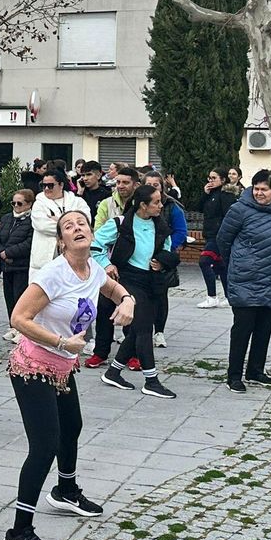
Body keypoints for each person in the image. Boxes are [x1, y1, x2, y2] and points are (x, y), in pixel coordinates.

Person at [2, 211, 134, 540]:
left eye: (82, 224)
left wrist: (127, 300)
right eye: (69, 227)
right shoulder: (53, 274)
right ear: (61, 241)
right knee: (44, 446)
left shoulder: (92, 269)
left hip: (61, 367)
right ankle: (19, 533)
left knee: (71, 427)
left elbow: (111, 287)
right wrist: (61, 342)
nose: (78, 229)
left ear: (92, 234)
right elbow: (18, 318)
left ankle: (65, 490)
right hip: (32, 366)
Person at [92, 185, 180, 398]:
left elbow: (168, 249)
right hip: (126, 280)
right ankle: (151, 380)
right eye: (156, 202)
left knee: (138, 329)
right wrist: (106, 265)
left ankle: (113, 371)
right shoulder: (120, 224)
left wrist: (162, 262)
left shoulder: (160, 226)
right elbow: (95, 246)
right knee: (143, 329)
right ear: (143, 205)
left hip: (150, 282)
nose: (161, 206)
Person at [216, 170, 271, 392]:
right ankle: (234, 375)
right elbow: (223, 240)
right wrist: (238, 264)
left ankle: (256, 371)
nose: (259, 193)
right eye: (256, 188)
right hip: (245, 279)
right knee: (242, 329)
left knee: (264, 328)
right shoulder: (239, 210)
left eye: (264, 189)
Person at [85, 167, 140, 368]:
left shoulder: (141, 204)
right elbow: (98, 230)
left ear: (136, 184)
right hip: (107, 263)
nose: (121, 186)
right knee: (105, 309)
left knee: (130, 309)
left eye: (125, 182)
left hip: (131, 266)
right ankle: (101, 351)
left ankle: (132, 353)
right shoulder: (107, 204)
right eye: (118, 182)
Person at [142, 170, 187, 349]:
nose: (152, 188)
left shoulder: (172, 206)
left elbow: (180, 232)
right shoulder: (136, 205)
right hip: (140, 257)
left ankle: (159, 331)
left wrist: (165, 253)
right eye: (149, 185)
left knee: (160, 295)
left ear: (162, 187)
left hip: (162, 257)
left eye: (156, 185)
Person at [29, 168, 91, 280]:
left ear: (61, 185)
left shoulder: (78, 202)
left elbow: (85, 223)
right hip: (45, 259)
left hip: (74, 257)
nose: (46, 189)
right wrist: (70, 224)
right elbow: (42, 226)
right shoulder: (38, 204)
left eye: (50, 185)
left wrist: (58, 220)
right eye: (44, 185)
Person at [0, 189, 35, 342]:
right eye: (14, 203)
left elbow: (29, 243)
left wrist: (9, 252)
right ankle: (13, 325)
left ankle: (22, 329)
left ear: (29, 204)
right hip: (6, 266)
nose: (16, 206)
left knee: (20, 297)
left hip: (21, 266)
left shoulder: (33, 220)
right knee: (9, 297)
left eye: (20, 203)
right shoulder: (6, 218)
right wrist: (1, 252)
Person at [197, 168, 237, 309]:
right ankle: (229, 297)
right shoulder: (211, 194)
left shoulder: (226, 195)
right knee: (221, 267)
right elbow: (199, 208)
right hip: (210, 235)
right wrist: (205, 194)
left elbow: (229, 216)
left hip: (219, 236)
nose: (210, 181)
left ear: (223, 180)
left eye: (214, 178)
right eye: (209, 178)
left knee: (205, 261)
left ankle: (212, 296)